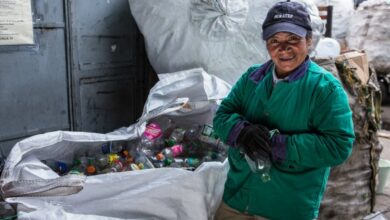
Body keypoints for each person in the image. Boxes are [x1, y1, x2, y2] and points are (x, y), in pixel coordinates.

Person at [212, 1, 355, 220]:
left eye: (293, 40)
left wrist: (277, 145)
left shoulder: (325, 89)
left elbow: (338, 146)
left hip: (286, 207)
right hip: (238, 199)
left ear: (308, 40)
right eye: (274, 41)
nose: (283, 48)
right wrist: (242, 132)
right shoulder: (252, 78)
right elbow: (221, 117)